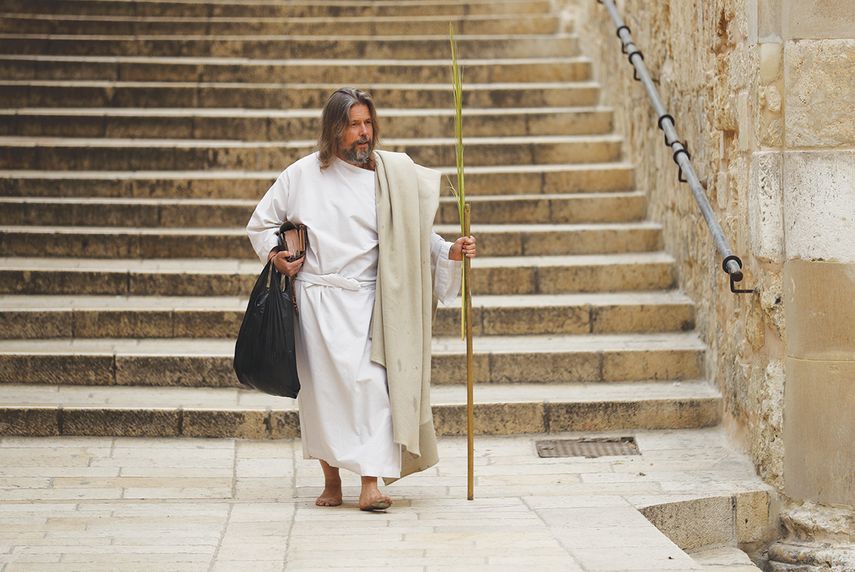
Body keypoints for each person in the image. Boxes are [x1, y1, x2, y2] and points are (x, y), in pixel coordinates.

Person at [246, 88, 477, 511]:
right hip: (316, 302)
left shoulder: (387, 177)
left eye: (368, 123)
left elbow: (411, 231)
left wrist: (449, 251)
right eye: (354, 124)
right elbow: (260, 225)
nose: (364, 132)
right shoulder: (301, 175)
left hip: (371, 301)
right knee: (321, 398)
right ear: (334, 129)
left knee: (372, 389)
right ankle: (331, 482)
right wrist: (277, 257)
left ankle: (370, 483)